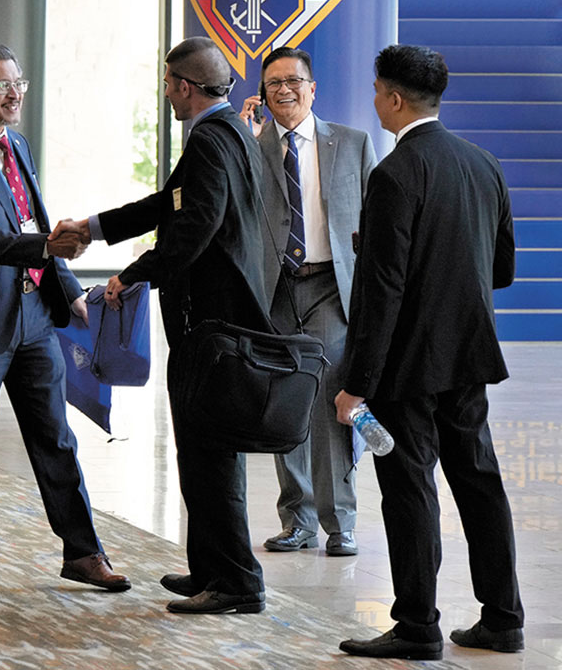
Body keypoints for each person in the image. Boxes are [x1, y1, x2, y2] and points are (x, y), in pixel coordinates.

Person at [55, 36, 272, 614]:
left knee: (209, 453)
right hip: (218, 322)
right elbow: (166, 203)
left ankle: (236, 583)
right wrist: (93, 226)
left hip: (211, 322)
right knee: (201, 450)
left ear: (184, 85)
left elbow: (195, 226)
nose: (167, 93)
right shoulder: (226, 135)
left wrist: (135, 274)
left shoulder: (211, 141)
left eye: (169, 83)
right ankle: (210, 569)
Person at [335, 45, 524, 660]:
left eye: (376, 92)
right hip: (468, 356)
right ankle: (503, 619)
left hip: (406, 367)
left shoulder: (393, 175)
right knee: (480, 483)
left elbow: (384, 290)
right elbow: (501, 269)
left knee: (410, 489)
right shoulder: (483, 163)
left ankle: (417, 627)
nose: (374, 102)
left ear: (392, 98)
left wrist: (357, 384)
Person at [0, 42, 130, 594]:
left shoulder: (17, 144)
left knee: (56, 438)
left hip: (35, 319)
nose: (16, 93)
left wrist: (69, 293)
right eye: (3, 85)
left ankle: (84, 553)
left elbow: (31, 217)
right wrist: (48, 245)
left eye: (19, 82)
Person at [254, 47, 376, 557]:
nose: (284, 89)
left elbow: (376, 221)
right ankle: (296, 519)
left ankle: (339, 521)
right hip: (274, 289)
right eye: (273, 83)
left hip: (331, 286)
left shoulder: (351, 142)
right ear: (262, 94)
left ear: (312, 87)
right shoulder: (249, 146)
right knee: (283, 403)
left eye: (293, 80)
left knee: (329, 400)